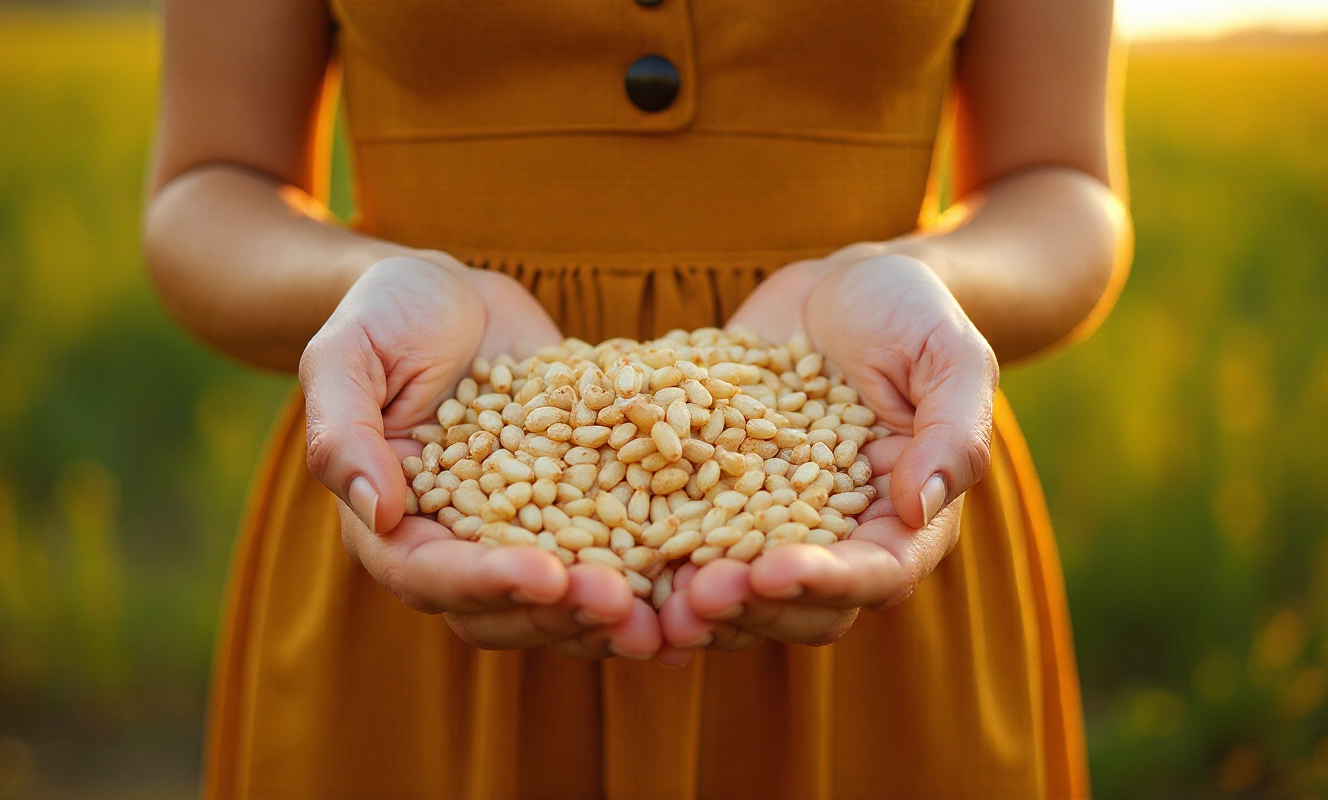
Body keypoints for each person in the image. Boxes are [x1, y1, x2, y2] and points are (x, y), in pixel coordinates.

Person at [145, 0, 1131, 796]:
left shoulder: (837, 453)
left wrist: (928, 290)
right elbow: (208, 188)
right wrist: (361, 300)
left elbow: (1061, 187)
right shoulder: (460, 453)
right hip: (420, 473)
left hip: (871, 471)